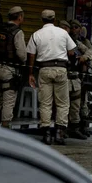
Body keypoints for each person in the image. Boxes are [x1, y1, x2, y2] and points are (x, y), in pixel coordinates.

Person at [27, 10, 76, 146]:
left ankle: (46, 134)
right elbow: (72, 51)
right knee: (62, 103)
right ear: (54, 19)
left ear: (42, 20)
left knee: (45, 103)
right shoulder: (63, 33)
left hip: (44, 69)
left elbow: (31, 55)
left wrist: (30, 73)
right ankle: (60, 133)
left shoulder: (36, 34)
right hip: (61, 69)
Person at [0, 6, 26, 127]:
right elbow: (22, 55)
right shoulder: (18, 32)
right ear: (19, 17)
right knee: (8, 101)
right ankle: (5, 129)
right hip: (9, 71)